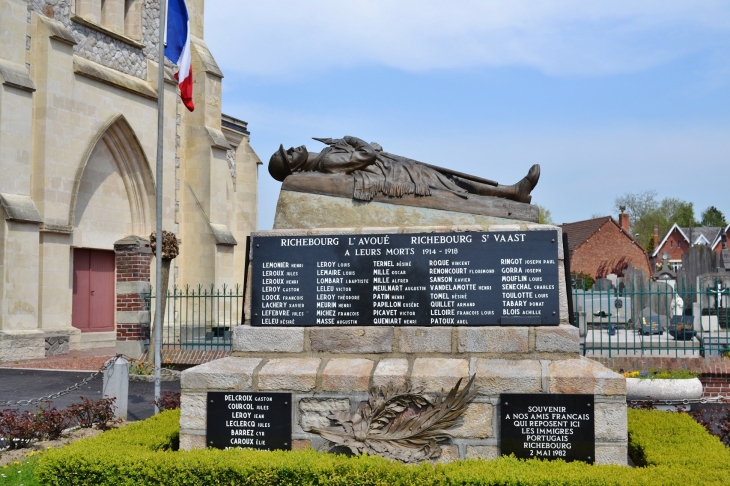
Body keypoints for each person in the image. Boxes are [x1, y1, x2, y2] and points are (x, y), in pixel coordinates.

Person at [268, 136, 539, 203]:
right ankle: (511, 192)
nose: (293, 149)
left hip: (389, 167)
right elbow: (366, 154)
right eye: (289, 154)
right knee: (450, 184)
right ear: (293, 165)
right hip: (394, 175)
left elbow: (366, 154)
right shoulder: (325, 162)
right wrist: (351, 138)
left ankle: (511, 192)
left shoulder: (325, 155)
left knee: (450, 181)